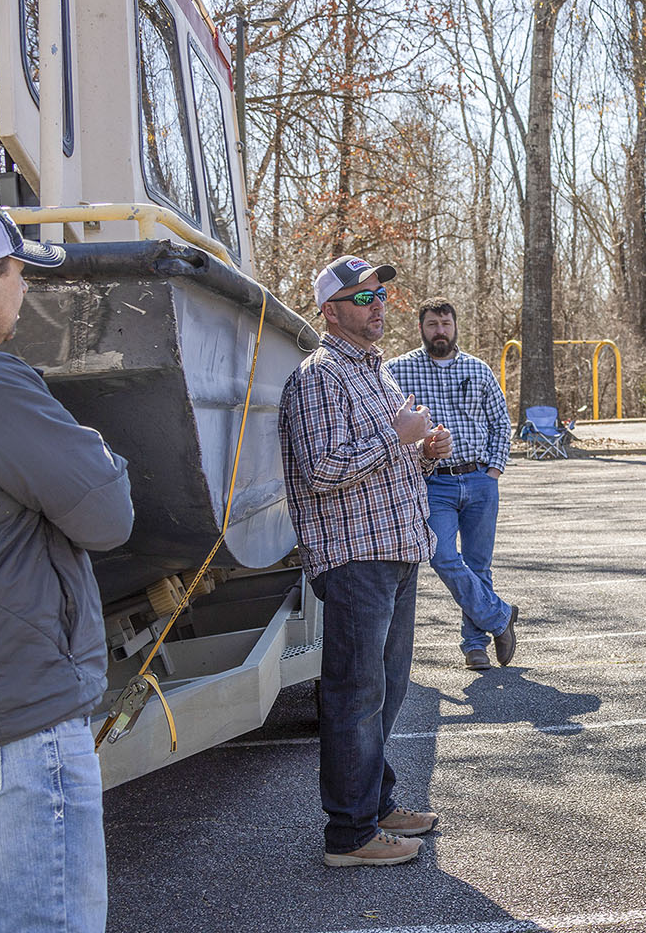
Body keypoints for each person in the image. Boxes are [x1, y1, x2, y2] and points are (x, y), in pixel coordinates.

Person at [0, 202, 134, 933]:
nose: (24, 293)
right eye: (17, 276)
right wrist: (92, 444)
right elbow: (107, 514)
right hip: (16, 730)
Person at [279, 255, 453, 867]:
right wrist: (397, 437)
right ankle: (350, 835)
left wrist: (425, 452)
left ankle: (375, 805)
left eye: (380, 293)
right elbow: (322, 468)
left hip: (397, 550)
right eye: (361, 296)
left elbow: (388, 460)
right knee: (355, 694)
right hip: (355, 557)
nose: (377, 303)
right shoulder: (319, 376)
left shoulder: (376, 374)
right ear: (330, 311)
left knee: (387, 688)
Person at [387, 298, 519, 672]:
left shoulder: (478, 370)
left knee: (479, 565)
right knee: (441, 555)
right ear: (421, 328)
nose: (440, 330)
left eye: (445, 323)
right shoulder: (397, 370)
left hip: (479, 479)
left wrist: (493, 471)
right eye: (432, 324)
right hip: (434, 481)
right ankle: (500, 617)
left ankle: (475, 645)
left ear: (455, 325)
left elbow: (500, 424)